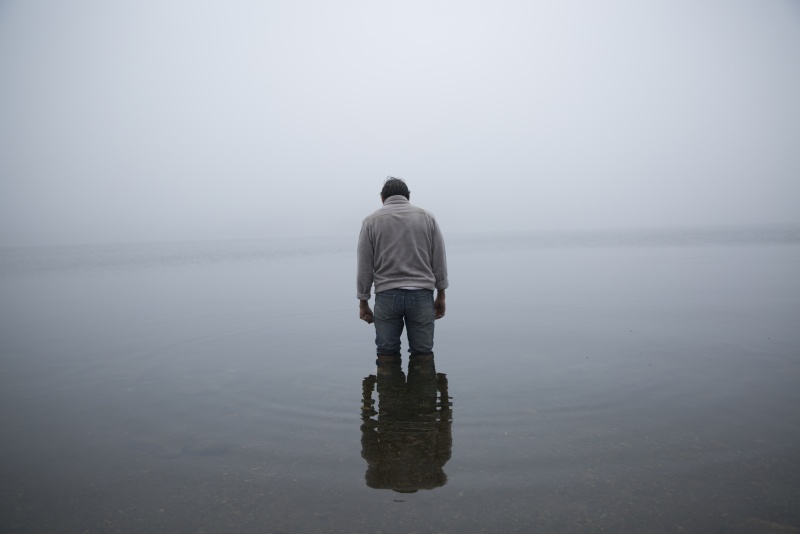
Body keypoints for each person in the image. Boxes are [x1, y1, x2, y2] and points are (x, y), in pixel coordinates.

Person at [356, 177, 448, 365]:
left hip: (387, 296)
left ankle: (389, 383)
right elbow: (439, 258)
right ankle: (423, 382)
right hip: (421, 295)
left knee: (386, 354)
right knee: (423, 353)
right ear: (408, 196)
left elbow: (364, 265)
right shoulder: (427, 218)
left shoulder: (370, 221)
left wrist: (363, 301)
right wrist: (441, 294)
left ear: (382, 198)